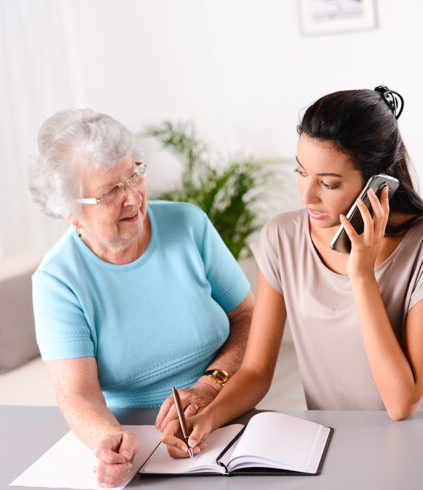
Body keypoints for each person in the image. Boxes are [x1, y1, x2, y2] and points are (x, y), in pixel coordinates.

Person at [162, 86, 423, 458]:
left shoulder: (419, 249)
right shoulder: (282, 238)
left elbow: (401, 403)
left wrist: (361, 276)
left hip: (409, 448)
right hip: (327, 446)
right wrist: (207, 419)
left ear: (377, 183)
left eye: (328, 183)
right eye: (301, 172)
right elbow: (255, 371)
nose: (306, 196)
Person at [27, 108, 253, 486]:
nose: (133, 197)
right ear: (72, 214)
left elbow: (248, 317)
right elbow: (78, 395)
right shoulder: (57, 281)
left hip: (226, 415)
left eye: (134, 173)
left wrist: (210, 383)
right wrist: (108, 441)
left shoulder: (189, 224)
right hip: (139, 444)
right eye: (110, 191)